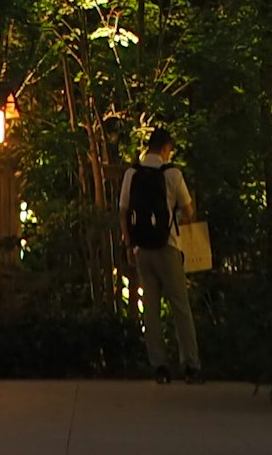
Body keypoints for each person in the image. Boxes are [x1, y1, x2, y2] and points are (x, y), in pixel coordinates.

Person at [117, 127, 202, 380]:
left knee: (150, 308)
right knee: (180, 306)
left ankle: (159, 366)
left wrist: (129, 244)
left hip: (142, 248)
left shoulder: (131, 174)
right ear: (166, 148)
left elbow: (123, 211)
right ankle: (190, 364)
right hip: (168, 246)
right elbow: (188, 211)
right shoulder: (173, 174)